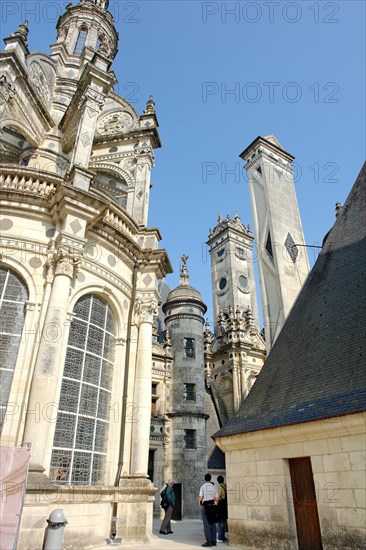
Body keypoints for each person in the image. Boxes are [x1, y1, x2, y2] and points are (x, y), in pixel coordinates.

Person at [199, 473, 219, 547]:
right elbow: (217, 498)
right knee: (213, 523)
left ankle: (209, 541)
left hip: (206, 506)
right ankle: (214, 540)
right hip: (212, 506)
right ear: (210, 479)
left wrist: (201, 502)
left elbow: (200, 497)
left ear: (205, 479)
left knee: (206, 524)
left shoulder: (203, 486)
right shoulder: (214, 487)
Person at [216, 475, 228, 543]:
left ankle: (220, 537)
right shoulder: (225, 486)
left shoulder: (219, 487)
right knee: (224, 521)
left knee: (220, 521)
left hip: (221, 505)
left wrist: (215, 505)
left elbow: (217, 497)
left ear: (218, 481)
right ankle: (223, 536)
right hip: (225, 505)